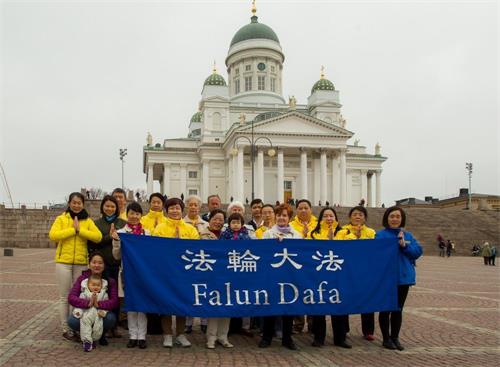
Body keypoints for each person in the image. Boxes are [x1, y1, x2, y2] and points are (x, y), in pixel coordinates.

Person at [49, 192, 102, 340]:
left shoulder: (88, 220)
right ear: (69, 203)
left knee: (78, 296)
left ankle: (76, 325)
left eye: (79, 203)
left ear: (83, 204)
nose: (76, 205)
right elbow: (53, 235)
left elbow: (97, 237)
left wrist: (80, 230)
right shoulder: (61, 218)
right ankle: (66, 328)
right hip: (63, 262)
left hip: (80, 262)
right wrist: (72, 230)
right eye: (74, 202)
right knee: (64, 297)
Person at [153, 198, 199, 348]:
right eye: (171, 208)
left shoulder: (190, 229)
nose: (174, 211)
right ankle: (167, 334)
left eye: (177, 208)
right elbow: (155, 249)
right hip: (165, 272)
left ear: (182, 210)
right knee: (166, 303)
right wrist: (173, 244)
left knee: (181, 303)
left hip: (184, 272)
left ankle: (180, 334)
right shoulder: (159, 228)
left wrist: (181, 244)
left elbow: (196, 249)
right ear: (166, 211)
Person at [376, 206, 423, 351]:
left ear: (402, 219)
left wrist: (404, 246)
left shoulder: (407, 236)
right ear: (387, 218)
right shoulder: (380, 235)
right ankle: (385, 338)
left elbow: (417, 252)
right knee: (385, 309)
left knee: (398, 309)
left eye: (397, 216)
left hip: (403, 278)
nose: (395, 219)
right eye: (392, 216)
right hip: (386, 278)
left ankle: (395, 337)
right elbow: (375, 254)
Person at [259, 203, 301, 350]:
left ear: (289, 218)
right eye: (279, 215)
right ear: (275, 217)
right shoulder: (268, 234)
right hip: (272, 276)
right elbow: (263, 253)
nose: (281, 218)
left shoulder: (296, 235)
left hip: (290, 277)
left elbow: (300, 253)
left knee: (289, 308)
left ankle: (287, 338)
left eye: (285, 215)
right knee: (270, 306)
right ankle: (267, 337)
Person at [309, 207, 351, 348]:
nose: (328, 218)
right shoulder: (313, 234)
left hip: (339, 275)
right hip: (319, 275)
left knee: (339, 306)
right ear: (320, 219)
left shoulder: (344, 232)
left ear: (336, 218)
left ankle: (340, 338)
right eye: (325, 216)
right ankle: (318, 337)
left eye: (331, 216)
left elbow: (351, 249)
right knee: (319, 307)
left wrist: (334, 241)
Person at [111, 202, 150, 349]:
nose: (134, 216)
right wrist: (116, 241)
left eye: (137, 213)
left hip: (143, 274)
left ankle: (142, 336)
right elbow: (116, 256)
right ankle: (133, 336)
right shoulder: (121, 233)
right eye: (132, 213)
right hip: (127, 273)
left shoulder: (146, 233)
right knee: (131, 306)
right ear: (127, 214)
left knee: (142, 306)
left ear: (141, 215)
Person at [87, 195, 126, 338]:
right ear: (102, 207)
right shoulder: (96, 224)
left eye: (112, 206)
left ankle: (113, 326)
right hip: (102, 266)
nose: (110, 209)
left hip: (118, 265)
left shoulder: (122, 223)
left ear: (117, 208)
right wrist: (109, 237)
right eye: (107, 206)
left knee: (115, 296)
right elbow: (93, 243)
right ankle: (100, 324)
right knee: (103, 294)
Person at [335, 205, 376, 342]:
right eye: (355, 214)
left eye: (360, 214)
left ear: (365, 218)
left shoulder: (371, 232)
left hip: (365, 271)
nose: (357, 217)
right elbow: (338, 247)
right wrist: (355, 236)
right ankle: (344, 329)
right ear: (349, 217)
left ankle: (368, 330)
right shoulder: (342, 231)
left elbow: (374, 249)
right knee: (345, 299)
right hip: (346, 270)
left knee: (367, 299)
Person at [67, 252, 119, 346]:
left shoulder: (110, 281)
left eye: (100, 263)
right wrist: (88, 303)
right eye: (94, 262)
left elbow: (114, 301)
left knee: (110, 318)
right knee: (72, 321)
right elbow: (71, 297)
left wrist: (99, 304)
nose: (97, 265)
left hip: (100, 312)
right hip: (85, 311)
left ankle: (101, 334)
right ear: (89, 264)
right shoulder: (82, 279)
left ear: (104, 265)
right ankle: (87, 335)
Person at [289, 199, 317, 333]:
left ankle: (313, 324)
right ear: (296, 210)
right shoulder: (291, 225)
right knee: (297, 293)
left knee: (313, 293)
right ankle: (298, 324)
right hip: (297, 265)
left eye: (306, 208)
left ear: (311, 209)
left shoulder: (318, 224)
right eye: (300, 208)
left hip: (313, 265)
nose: (303, 210)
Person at [183, 195, 209, 334]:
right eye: (191, 205)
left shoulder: (205, 224)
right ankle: (188, 322)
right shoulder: (181, 223)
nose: (193, 207)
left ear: (200, 207)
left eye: (196, 205)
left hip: (203, 262)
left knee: (204, 292)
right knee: (189, 292)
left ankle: (204, 321)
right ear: (187, 206)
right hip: (187, 262)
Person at [72, 274, 109, 352]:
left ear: (101, 286)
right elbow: (79, 305)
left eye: (98, 285)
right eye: (93, 285)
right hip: (86, 314)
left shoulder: (104, 294)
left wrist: (103, 312)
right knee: (85, 325)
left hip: (97, 315)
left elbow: (106, 306)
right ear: (88, 285)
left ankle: (94, 339)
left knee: (97, 328)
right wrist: (78, 312)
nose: (96, 287)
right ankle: (87, 341)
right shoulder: (84, 294)